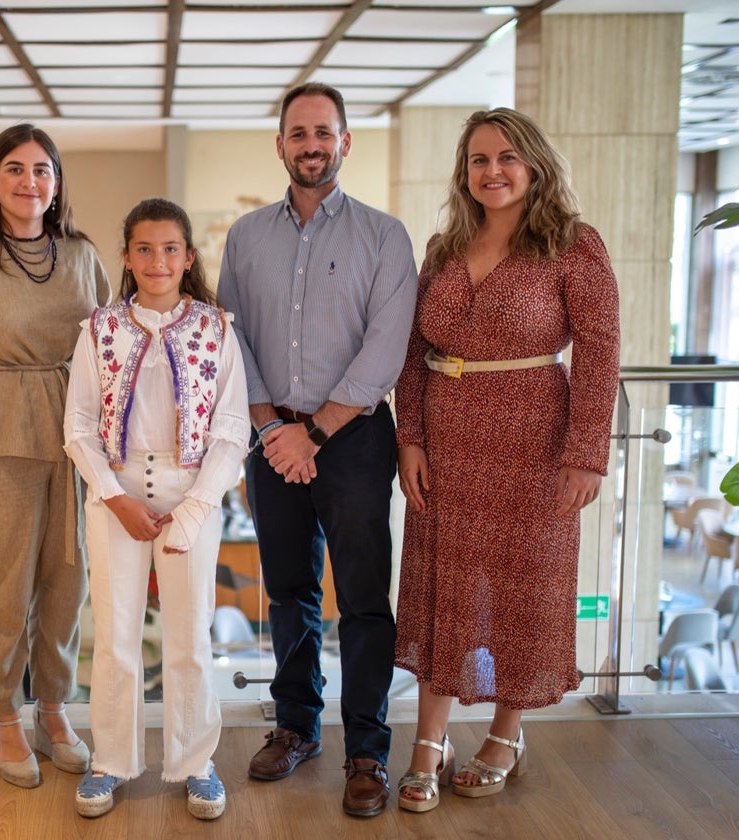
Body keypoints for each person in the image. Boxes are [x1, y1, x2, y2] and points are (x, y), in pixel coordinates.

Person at [394, 107, 619, 812]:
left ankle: (505, 732)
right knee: (444, 585)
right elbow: (409, 351)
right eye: (478, 160)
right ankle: (430, 739)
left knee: (522, 589)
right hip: (448, 442)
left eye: (507, 157)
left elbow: (601, 350)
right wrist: (410, 438)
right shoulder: (443, 246)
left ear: (535, 165)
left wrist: (586, 453)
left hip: (535, 442)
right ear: (465, 173)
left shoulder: (572, 245)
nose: (492, 171)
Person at [215, 82, 417, 818]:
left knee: (363, 600)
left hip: (355, 439)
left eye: (324, 132)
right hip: (273, 440)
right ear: (280, 145)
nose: (311, 145)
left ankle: (367, 749)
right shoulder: (245, 237)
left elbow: (386, 348)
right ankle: (296, 726)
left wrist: (316, 431)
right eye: (298, 133)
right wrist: (273, 429)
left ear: (344, 142)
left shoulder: (383, 236)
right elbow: (232, 338)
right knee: (288, 592)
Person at [0, 124, 109, 788]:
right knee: (2, 585)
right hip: (1, 433)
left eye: (42, 170)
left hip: (76, 433)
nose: (30, 181)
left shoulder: (84, 255)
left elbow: (109, 350)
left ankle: (55, 710)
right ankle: (6, 713)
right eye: (15, 169)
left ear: (56, 183)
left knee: (69, 578)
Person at [64, 198, 250, 820]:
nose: (158, 260)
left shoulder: (218, 329)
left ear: (189, 257)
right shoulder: (99, 329)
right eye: (144, 248)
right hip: (113, 494)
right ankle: (109, 761)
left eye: (170, 248)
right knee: (114, 637)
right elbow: (78, 426)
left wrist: (195, 510)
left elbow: (231, 429)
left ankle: (196, 760)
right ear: (126, 256)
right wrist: (114, 499)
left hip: (190, 493)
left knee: (189, 636)